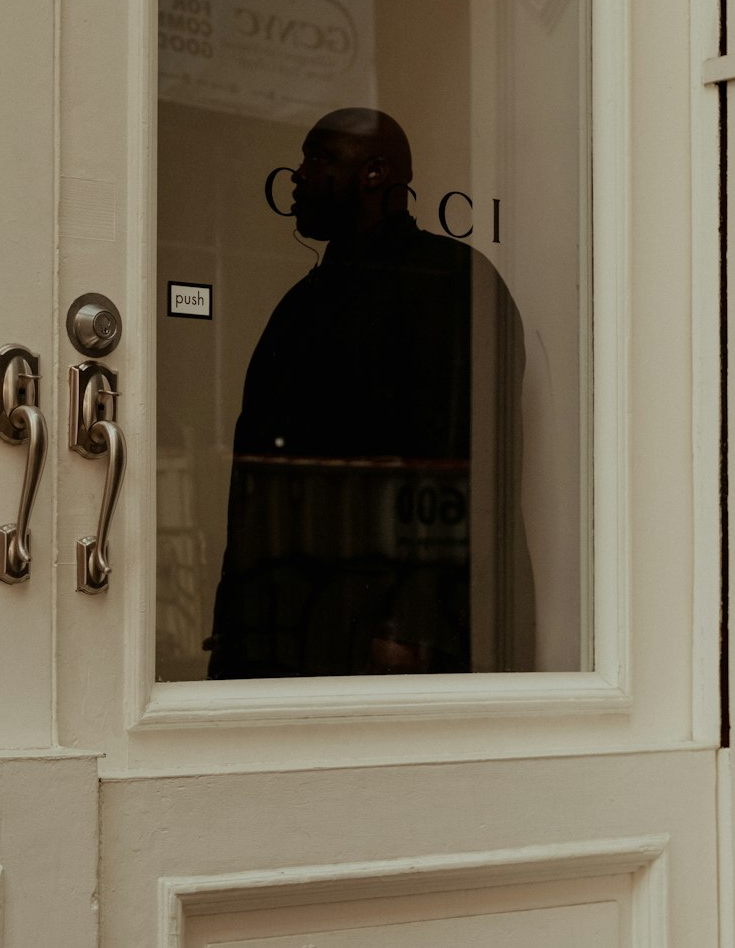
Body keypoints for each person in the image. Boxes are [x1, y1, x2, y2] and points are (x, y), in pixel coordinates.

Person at [206, 107, 534, 678]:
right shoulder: (305, 300)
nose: (299, 175)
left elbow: (468, 464)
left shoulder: (451, 281)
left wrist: (415, 623)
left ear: (376, 173)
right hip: (288, 624)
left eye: (320, 158)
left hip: (379, 629)